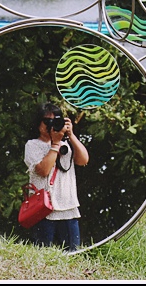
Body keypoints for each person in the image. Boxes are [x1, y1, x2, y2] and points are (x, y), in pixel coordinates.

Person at [24, 102, 89, 251]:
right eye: (47, 121)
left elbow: (83, 160)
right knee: (42, 254)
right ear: (38, 123)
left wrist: (71, 136)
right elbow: (43, 170)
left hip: (68, 206)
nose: (50, 125)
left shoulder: (66, 143)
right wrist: (55, 144)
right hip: (43, 209)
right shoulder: (32, 145)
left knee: (73, 254)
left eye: (55, 121)